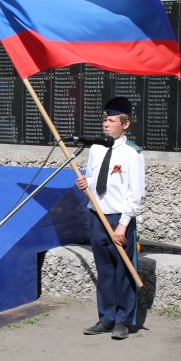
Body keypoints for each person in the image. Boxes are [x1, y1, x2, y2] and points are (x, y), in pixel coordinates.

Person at [75, 97, 144, 340]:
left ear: (125, 124)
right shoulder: (96, 149)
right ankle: (106, 318)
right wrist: (86, 183)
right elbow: (95, 179)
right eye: (104, 119)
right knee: (104, 270)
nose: (106, 124)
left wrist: (123, 225)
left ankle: (123, 321)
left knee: (122, 271)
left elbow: (135, 193)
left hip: (118, 221)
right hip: (97, 215)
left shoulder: (132, 154)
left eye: (111, 120)